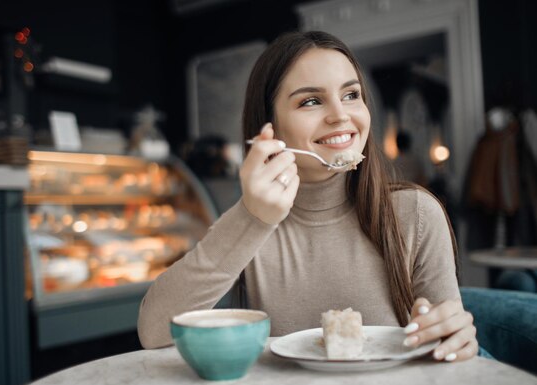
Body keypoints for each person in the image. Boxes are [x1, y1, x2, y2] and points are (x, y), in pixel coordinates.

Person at [138, 31, 478, 363]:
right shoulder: (249, 224)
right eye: (311, 101)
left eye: (351, 95)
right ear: (270, 128)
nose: (341, 115)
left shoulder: (415, 213)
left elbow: (446, 350)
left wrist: (454, 338)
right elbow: (153, 331)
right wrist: (252, 218)